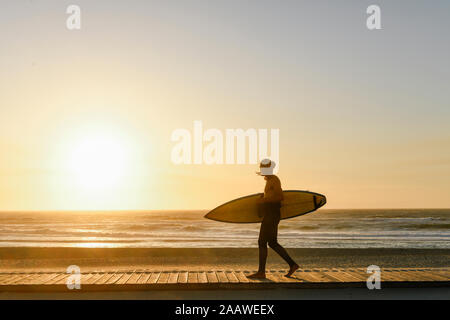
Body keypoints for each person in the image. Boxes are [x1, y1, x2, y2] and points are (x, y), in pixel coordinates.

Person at [247, 159, 299, 279]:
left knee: (262, 242)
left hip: (272, 214)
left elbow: (280, 197)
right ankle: (293, 265)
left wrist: (263, 200)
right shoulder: (270, 181)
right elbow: (272, 196)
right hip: (271, 214)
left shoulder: (274, 180)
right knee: (272, 243)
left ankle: (261, 272)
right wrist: (263, 198)